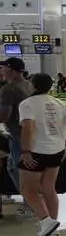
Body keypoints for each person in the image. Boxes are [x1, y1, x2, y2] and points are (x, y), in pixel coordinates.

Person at [19, 73, 66, 236]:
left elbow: (28, 128)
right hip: (57, 150)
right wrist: (65, 142)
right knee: (48, 187)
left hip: (36, 151)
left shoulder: (27, 104)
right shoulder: (59, 103)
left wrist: (25, 151)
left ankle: (46, 221)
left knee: (28, 189)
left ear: (33, 85)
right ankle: (52, 227)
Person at [0, 58, 33, 192]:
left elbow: (4, 116)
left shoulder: (9, 89)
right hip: (33, 132)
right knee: (16, 166)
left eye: (3, 68)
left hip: (18, 133)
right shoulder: (30, 85)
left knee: (17, 167)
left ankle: (30, 200)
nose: (2, 71)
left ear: (12, 70)